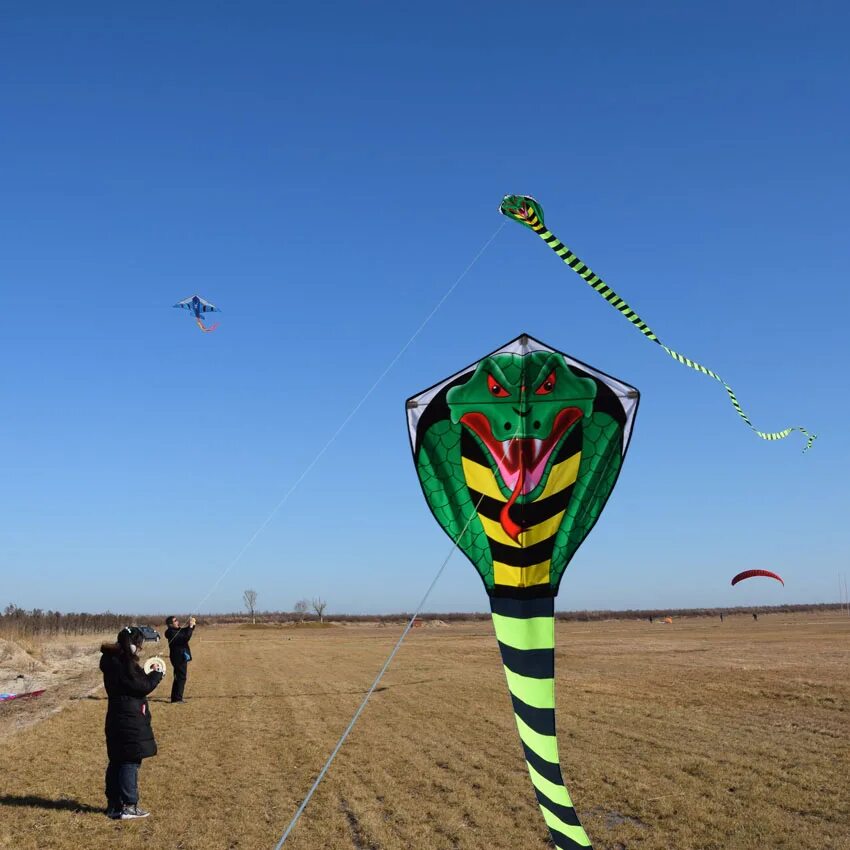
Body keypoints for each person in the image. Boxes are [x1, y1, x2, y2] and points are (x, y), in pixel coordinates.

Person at [100, 626, 164, 820]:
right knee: (129, 760)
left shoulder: (111, 659)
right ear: (133, 644)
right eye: (139, 644)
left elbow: (133, 682)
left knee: (117, 760)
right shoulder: (123, 662)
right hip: (128, 718)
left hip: (116, 716)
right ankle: (128, 806)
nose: (140, 647)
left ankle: (114, 805)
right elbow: (140, 686)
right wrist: (156, 674)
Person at [164, 615, 196, 703]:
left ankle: (175, 698)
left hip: (180, 657)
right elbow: (185, 637)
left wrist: (192, 624)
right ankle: (177, 699)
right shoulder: (171, 632)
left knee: (178, 677)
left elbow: (185, 631)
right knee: (181, 677)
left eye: (177, 620)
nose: (178, 621)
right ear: (170, 624)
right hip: (178, 658)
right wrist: (190, 627)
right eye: (175, 621)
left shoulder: (176, 630)